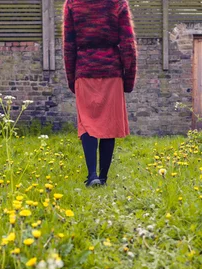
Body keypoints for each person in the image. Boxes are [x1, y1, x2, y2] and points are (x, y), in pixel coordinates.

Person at [62, 0, 138, 187]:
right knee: (108, 123)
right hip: (112, 72)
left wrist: (72, 79)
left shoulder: (72, 3)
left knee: (87, 123)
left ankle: (92, 175)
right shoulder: (117, 3)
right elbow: (128, 44)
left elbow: (68, 46)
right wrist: (129, 80)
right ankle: (103, 178)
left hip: (84, 70)